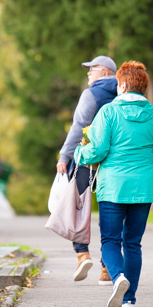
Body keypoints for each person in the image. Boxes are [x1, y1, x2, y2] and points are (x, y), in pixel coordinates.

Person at [74, 61, 153, 307]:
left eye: (118, 84)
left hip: (113, 188)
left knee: (110, 239)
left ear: (124, 85)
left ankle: (117, 277)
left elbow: (98, 149)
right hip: (143, 190)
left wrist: (78, 154)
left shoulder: (108, 112)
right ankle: (129, 301)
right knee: (133, 243)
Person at [57, 55, 119, 285]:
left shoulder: (91, 93)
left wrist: (64, 155)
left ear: (104, 72)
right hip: (113, 162)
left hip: (88, 158)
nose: (88, 74)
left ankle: (82, 254)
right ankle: (107, 268)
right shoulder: (124, 93)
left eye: (91, 69)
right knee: (111, 211)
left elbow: (79, 126)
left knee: (78, 205)